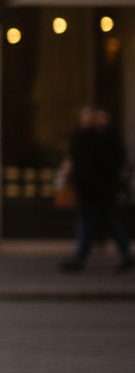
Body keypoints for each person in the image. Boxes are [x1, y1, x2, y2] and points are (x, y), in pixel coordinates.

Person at [61, 107, 135, 273]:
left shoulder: (106, 138)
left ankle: (79, 258)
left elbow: (103, 166)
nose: (97, 120)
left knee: (93, 224)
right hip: (93, 191)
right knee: (100, 223)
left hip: (98, 191)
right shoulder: (86, 137)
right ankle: (125, 255)